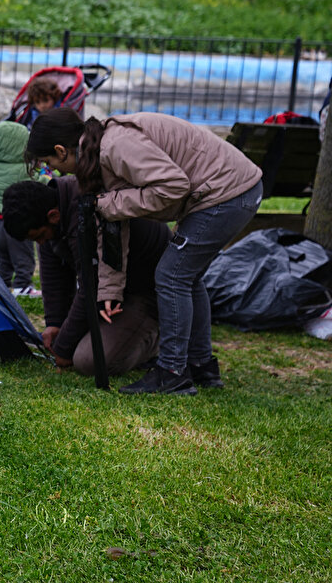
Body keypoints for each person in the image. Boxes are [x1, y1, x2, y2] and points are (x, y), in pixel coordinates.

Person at [26, 108, 263, 394]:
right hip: (224, 191)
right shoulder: (95, 153)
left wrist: (110, 203)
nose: (54, 172)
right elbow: (113, 227)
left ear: (61, 151)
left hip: (228, 193)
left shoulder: (115, 146)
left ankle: (172, 373)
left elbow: (173, 186)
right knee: (187, 276)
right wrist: (110, 290)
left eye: (48, 163)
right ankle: (201, 367)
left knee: (172, 275)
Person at [3, 177, 165, 377]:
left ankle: (158, 338)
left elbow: (92, 285)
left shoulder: (85, 214)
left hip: (146, 291)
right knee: (76, 343)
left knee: (89, 360)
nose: (41, 243)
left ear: (53, 216)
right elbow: (54, 275)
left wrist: (63, 347)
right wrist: (55, 324)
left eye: (39, 236)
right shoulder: (50, 212)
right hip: (110, 295)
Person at [0, 120, 40, 296]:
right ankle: (23, 285)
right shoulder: (24, 169)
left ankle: (1, 284)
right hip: (17, 222)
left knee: (2, 258)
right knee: (23, 256)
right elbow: (39, 183)